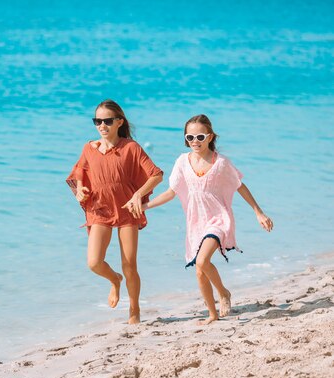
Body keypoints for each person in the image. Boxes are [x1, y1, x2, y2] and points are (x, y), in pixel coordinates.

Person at [129, 114, 273, 325]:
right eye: (190, 137)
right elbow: (171, 192)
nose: (195, 141)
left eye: (200, 136)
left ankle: (223, 293)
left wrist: (258, 212)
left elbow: (239, 186)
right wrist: (144, 207)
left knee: (203, 260)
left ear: (210, 136)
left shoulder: (221, 163)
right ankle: (212, 315)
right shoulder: (182, 162)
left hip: (219, 219)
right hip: (196, 223)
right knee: (199, 271)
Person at [66, 99, 163, 324]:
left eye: (107, 121)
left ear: (119, 122)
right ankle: (114, 280)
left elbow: (156, 175)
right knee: (94, 262)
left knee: (130, 264)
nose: (102, 125)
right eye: (97, 121)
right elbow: (78, 174)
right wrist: (80, 191)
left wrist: (138, 195)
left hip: (127, 210)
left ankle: (134, 310)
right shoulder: (88, 148)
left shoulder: (131, 147)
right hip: (99, 209)